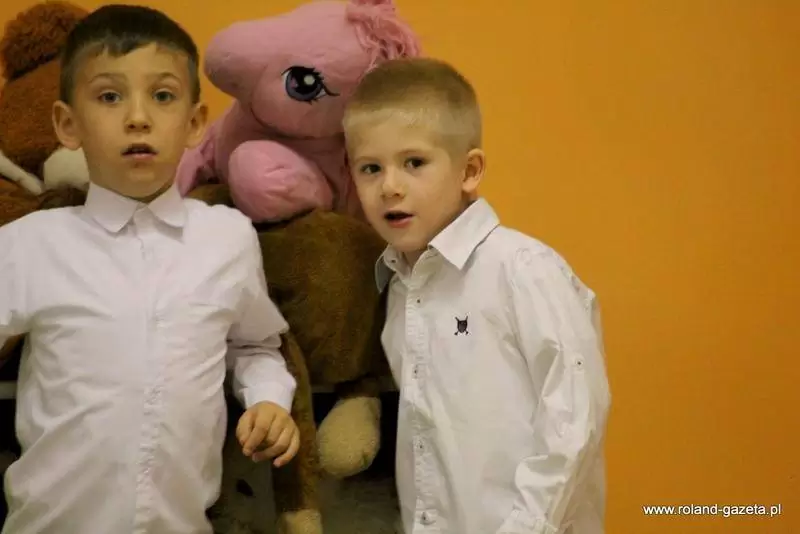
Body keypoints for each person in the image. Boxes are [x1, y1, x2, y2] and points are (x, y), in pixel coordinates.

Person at [0, 5, 300, 533]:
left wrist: (270, 399)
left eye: (162, 96)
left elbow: (254, 346)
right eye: (109, 96)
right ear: (68, 125)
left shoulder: (227, 239)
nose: (138, 117)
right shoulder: (28, 245)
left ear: (194, 122)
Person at [342, 57, 612, 534]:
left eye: (414, 163)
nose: (390, 187)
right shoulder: (396, 286)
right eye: (370, 168)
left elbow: (574, 419)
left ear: (469, 171)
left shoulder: (523, 270)